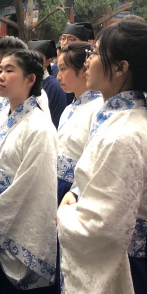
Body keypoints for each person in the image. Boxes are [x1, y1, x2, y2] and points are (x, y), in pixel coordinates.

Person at [57, 19, 147, 294]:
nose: (87, 61)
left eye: (95, 53)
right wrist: (76, 193)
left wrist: (64, 213)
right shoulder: (117, 118)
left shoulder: (124, 134)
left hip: (122, 270)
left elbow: (102, 228)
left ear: (120, 68)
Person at [0, 49, 59, 294]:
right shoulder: (4, 117)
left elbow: (31, 185)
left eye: (9, 70)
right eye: (0, 70)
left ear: (30, 79)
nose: (0, 76)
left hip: (15, 214)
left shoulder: (40, 127)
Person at [55, 43, 102, 203]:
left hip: (77, 190)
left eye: (63, 69)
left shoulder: (98, 109)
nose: (58, 76)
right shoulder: (69, 108)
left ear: (84, 70)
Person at [27, 40, 68, 128]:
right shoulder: (21, 84)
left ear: (49, 60)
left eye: (36, 59)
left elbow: (56, 122)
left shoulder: (55, 87)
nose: (31, 63)